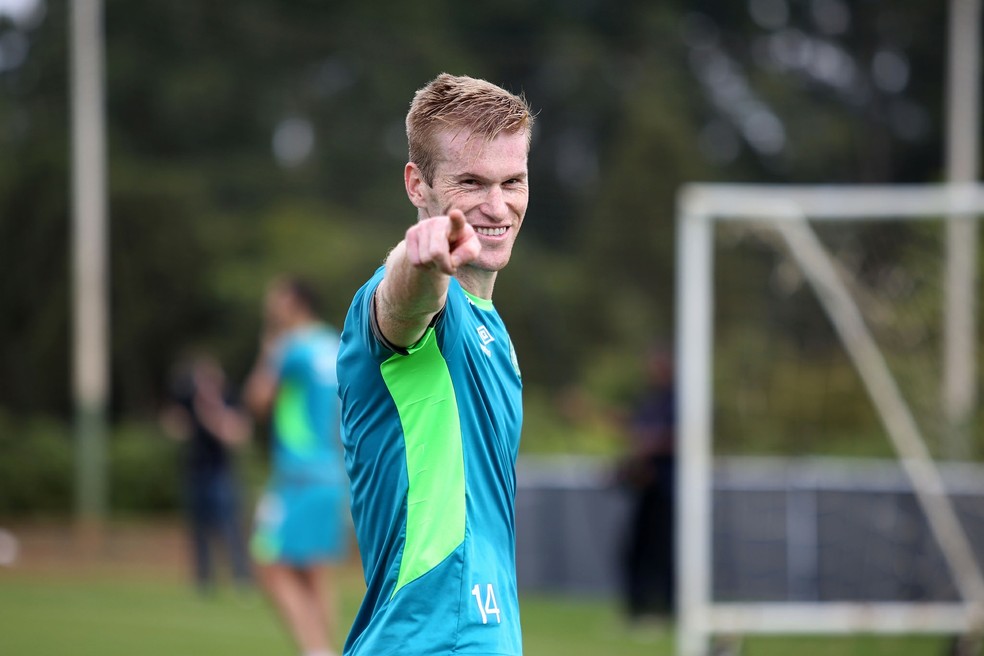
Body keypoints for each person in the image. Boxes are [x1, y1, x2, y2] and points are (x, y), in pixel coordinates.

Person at [336, 73, 534, 656]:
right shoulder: (412, 304)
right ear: (417, 184)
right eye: (471, 182)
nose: (497, 206)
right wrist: (419, 261)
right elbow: (403, 305)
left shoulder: (488, 323)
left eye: (513, 181)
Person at [245, 277, 349, 656]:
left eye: (275, 298)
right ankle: (327, 649)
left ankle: (315, 650)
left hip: (296, 475)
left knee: (266, 560)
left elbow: (257, 400)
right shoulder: (335, 342)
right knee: (316, 574)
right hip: (332, 472)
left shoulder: (290, 347)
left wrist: (269, 347)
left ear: (292, 303)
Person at [161, 352, 252, 594]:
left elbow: (236, 434)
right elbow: (174, 427)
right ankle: (204, 580)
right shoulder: (187, 399)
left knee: (230, 527)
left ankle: (241, 578)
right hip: (195, 471)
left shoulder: (228, 399)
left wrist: (208, 411)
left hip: (221, 473)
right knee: (198, 530)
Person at [617, 345, 677, 620]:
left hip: (672, 490)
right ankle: (638, 610)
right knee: (635, 550)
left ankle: (668, 609)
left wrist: (650, 448)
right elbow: (636, 435)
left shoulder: (681, 400)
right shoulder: (651, 401)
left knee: (668, 551)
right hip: (648, 490)